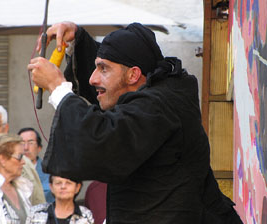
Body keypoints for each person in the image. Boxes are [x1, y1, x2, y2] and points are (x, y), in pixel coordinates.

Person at [28, 22, 243, 223]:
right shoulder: (152, 92)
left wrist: (58, 88)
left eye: (103, 68)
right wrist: (77, 40)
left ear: (133, 75)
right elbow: (115, 81)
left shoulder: (160, 106)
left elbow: (104, 142)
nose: (92, 79)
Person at [26, 175, 94, 224]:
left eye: (68, 183)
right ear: (51, 187)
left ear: (77, 187)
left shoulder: (86, 215)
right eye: (58, 183)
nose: (63, 187)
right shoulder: (36, 213)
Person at [18, 127, 54, 203]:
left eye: (30, 143)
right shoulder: (11, 172)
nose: (26, 148)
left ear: (39, 148)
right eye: (22, 143)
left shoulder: (50, 172)